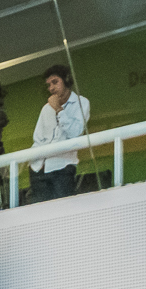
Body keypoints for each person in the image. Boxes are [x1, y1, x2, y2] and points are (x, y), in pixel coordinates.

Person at [29, 64, 89, 203]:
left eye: (55, 82)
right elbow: (37, 139)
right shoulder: (46, 108)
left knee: (63, 211)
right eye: (49, 85)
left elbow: (75, 132)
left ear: (66, 80)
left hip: (62, 168)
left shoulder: (82, 103)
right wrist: (32, 161)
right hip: (38, 169)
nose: (51, 88)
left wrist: (58, 109)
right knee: (40, 214)